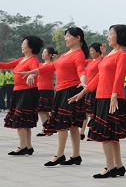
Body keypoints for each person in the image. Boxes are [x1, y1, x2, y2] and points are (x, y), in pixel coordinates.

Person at [69, 24, 126, 178]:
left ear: (119, 36)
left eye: (111, 33)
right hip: (101, 97)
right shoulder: (110, 54)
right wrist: (83, 92)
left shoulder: (123, 54)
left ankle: (109, 167)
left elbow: (119, 76)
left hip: (112, 99)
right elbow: (99, 77)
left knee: (106, 135)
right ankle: (118, 166)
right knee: (111, 136)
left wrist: (114, 95)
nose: (108, 36)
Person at [23, 27, 88, 167]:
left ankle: (59, 155)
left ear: (78, 38)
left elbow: (81, 70)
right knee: (72, 125)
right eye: (65, 36)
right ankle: (76, 156)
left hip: (71, 90)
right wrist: (34, 71)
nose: (65, 38)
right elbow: (52, 66)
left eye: (68, 35)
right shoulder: (65, 54)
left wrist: (83, 81)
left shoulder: (78, 54)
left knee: (62, 123)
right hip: (61, 91)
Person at [2, 36, 43, 155]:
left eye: (24, 43)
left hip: (27, 92)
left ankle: (22, 146)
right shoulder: (21, 59)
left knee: (19, 119)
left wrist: (31, 75)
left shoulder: (33, 60)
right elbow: (6, 65)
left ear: (31, 47)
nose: (22, 45)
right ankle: (28, 146)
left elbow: (36, 70)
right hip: (18, 91)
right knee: (25, 121)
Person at [79, 43, 105, 140]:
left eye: (92, 50)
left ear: (98, 51)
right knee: (85, 112)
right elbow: (80, 62)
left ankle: (93, 132)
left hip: (95, 89)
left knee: (93, 112)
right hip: (87, 88)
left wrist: (103, 53)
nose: (91, 52)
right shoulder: (90, 61)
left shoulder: (101, 60)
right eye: (90, 50)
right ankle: (81, 132)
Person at [35, 47, 58, 137]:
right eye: (43, 52)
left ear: (49, 55)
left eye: (45, 52)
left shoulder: (51, 65)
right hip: (40, 88)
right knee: (45, 111)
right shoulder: (40, 64)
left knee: (41, 110)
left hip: (45, 88)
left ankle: (47, 128)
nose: (42, 54)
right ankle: (49, 128)